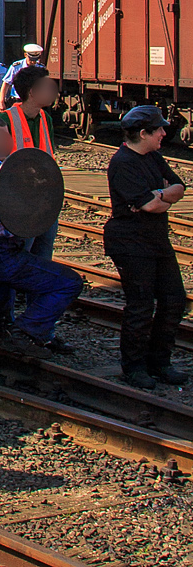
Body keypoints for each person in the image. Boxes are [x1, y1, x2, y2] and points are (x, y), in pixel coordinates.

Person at [0, 118, 83, 357]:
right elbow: (1, 230)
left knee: (6, 275)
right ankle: (23, 332)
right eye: (0, 137)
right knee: (69, 282)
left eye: (7, 136)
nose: (7, 142)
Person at [103, 104, 190, 389]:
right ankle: (135, 366)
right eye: (160, 129)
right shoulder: (123, 163)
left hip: (155, 239)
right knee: (140, 305)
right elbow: (149, 205)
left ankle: (159, 361)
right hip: (129, 241)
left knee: (174, 299)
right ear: (144, 133)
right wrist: (159, 199)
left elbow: (179, 187)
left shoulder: (153, 156)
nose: (165, 133)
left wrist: (160, 194)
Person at [6, 65, 60, 263]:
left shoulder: (46, 119)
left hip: (45, 198)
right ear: (32, 92)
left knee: (43, 254)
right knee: (22, 253)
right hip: (20, 201)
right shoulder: (6, 120)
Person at [1, 43, 45, 108]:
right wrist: (1, 102)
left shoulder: (41, 68)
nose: (33, 62)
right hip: (17, 100)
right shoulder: (16, 66)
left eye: (35, 60)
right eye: (31, 59)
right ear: (25, 55)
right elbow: (6, 83)